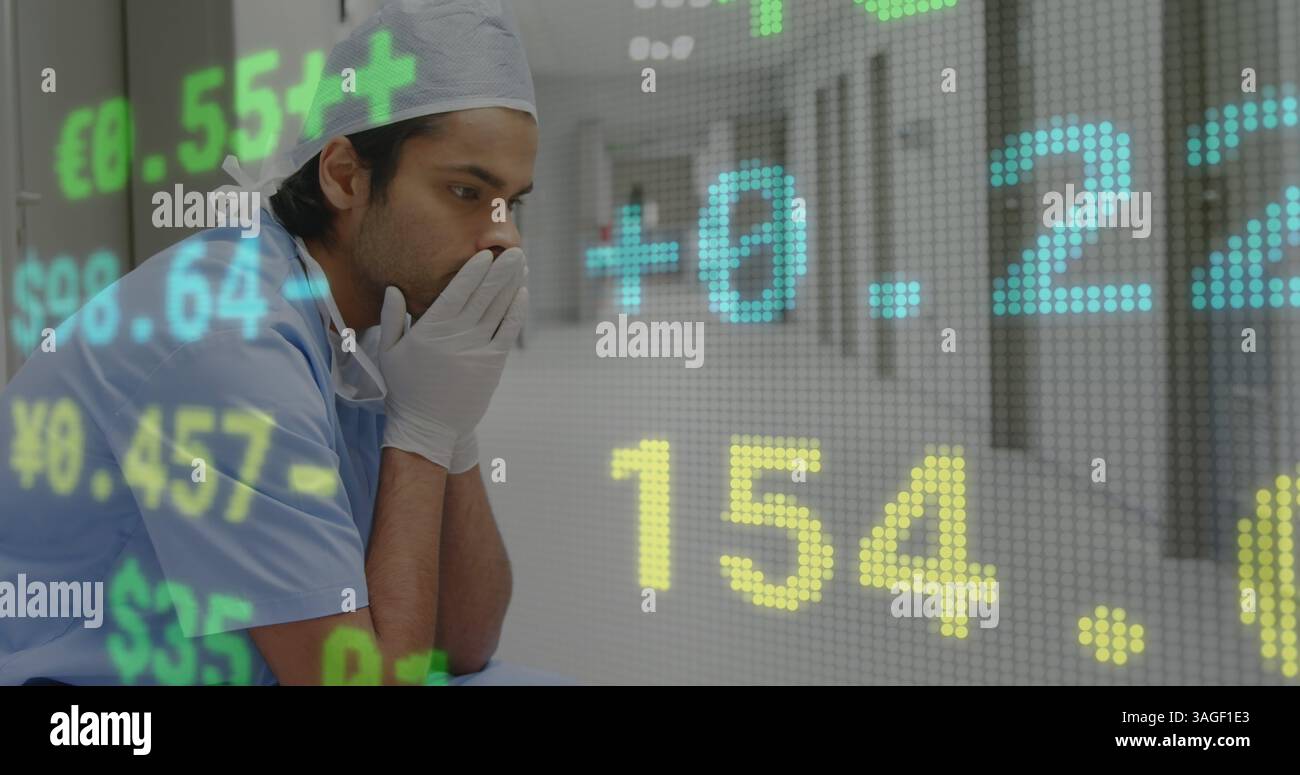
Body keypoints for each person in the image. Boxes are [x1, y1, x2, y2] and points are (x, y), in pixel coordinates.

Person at [0, 0, 560, 685]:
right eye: (466, 191)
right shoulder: (229, 343)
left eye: (514, 202)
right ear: (345, 174)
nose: (504, 238)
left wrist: (452, 430)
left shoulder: (373, 326)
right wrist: (421, 429)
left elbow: (462, 648)